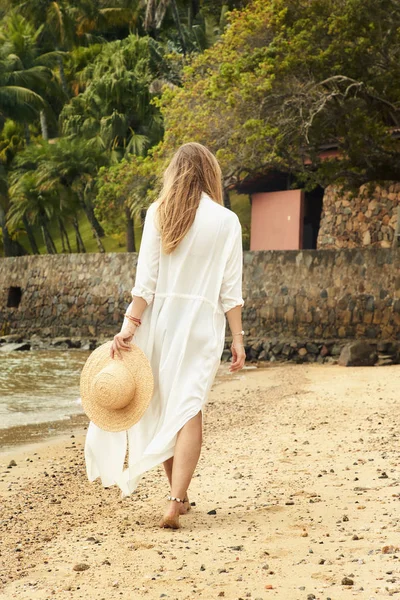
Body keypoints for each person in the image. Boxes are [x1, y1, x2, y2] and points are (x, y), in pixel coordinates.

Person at [84, 142, 245, 529]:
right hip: (201, 326)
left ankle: (177, 494)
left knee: (162, 410)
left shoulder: (159, 213)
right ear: (211, 173)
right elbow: (230, 291)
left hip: (159, 322)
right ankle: (176, 499)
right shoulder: (226, 220)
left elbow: (146, 285)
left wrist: (129, 327)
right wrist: (238, 339)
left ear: (174, 171)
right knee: (188, 408)